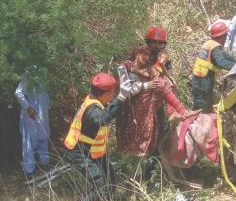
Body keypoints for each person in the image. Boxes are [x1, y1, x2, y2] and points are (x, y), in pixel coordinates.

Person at [64, 72, 135, 201]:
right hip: (79, 153)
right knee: (101, 183)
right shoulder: (92, 108)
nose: (113, 95)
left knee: (111, 180)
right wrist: (120, 97)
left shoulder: (95, 100)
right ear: (106, 93)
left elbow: (110, 110)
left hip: (94, 152)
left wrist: (125, 95)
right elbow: (101, 119)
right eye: (112, 92)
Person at [116, 48, 200, 156]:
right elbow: (126, 90)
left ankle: (179, 112)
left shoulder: (153, 71)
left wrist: (162, 66)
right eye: (144, 54)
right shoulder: (127, 66)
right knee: (136, 141)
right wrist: (145, 84)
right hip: (131, 107)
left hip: (148, 106)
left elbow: (168, 84)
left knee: (165, 85)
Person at [192, 21, 236, 113]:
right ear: (223, 36)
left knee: (205, 107)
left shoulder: (210, 44)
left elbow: (225, 55)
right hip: (203, 83)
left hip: (199, 81)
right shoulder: (214, 46)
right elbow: (222, 62)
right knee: (201, 110)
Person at [15, 65, 50, 178]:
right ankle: (30, 171)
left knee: (43, 139)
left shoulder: (45, 71)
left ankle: (45, 165)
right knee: (29, 143)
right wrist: (28, 107)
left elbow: (46, 94)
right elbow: (18, 93)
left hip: (42, 114)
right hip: (30, 115)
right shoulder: (30, 71)